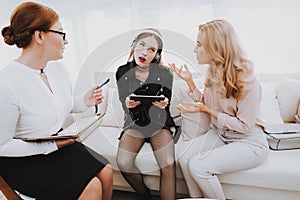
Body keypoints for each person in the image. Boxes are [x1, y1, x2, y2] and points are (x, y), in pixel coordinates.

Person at [0, 2, 113, 200]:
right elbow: (2, 146)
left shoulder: (57, 70)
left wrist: (83, 102)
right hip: (22, 159)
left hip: (56, 144)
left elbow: (61, 107)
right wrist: (51, 146)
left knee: (106, 172)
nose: (66, 41)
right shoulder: (7, 83)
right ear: (40, 36)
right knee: (91, 188)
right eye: (61, 33)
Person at [169, 19, 269, 200]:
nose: (194, 50)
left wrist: (208, 112)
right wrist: (189, 81)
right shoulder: (214, 71)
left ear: (216, 47)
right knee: (183, 159)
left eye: (199, 45)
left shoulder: (248, 80)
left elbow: (245, 126)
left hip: (249, 141)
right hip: (221, 134)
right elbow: (205, 102)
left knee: (198, 167)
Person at [115, 28, 176, 200]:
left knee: (169, 164)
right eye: (142, 45)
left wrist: (164, 104)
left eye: (152, 50)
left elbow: (167, 101)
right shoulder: (122, 72)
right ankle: (144, 194)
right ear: (134, 46)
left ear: (156, 55)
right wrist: (127, 105)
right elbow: (123, 102)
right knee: (124, 163)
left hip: (158, 123)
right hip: (135, 123)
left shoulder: (165, 73)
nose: (145, 52)